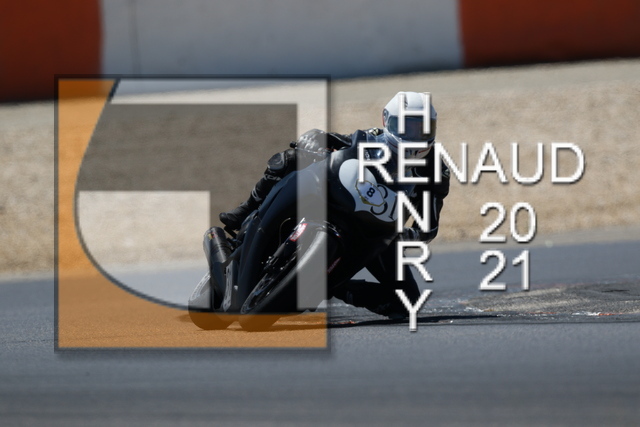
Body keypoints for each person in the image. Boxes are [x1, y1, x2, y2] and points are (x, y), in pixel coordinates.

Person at [220, 91, 450, 318]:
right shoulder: (371, 137)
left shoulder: (437, 170)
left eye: (422, 128)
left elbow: (428, 227)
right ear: (387, 120)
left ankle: (335, 286)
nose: (414, 135)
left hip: (379, 230)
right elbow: (339, 141)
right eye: (407, 126)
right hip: (342, 198)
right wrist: (315, 138)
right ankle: (247, 209)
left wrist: (406, 234)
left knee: (407, 301)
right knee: (290, 159)